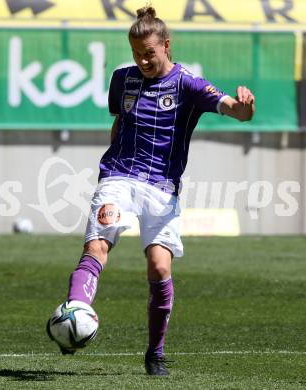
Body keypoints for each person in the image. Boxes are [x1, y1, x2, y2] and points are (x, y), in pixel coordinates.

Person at [48, 6, 255, 376]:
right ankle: (75, 312)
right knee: (97, 245)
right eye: (136, 53)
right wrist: (108, 172)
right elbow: (119, 122)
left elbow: (233, 109)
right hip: (118, 176)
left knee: (159, 266)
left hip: (162, 187)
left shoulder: (188, 84)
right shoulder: (123, 79)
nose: (143, 59)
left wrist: (242, 108)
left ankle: (155, 352)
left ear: (166, 45)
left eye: (149, 52)